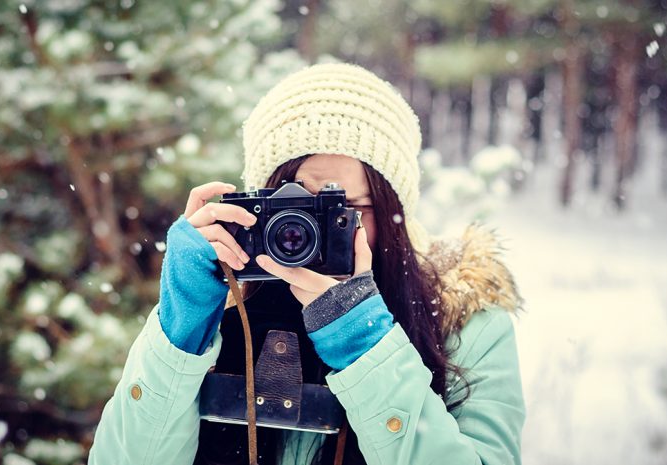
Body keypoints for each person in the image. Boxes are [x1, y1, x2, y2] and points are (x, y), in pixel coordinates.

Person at [89, 63, 525, 465]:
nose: (305, 232)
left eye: (341, 208)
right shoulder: (221, 303)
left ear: (393, 211)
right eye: (292, 206)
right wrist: (180, 332)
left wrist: (366, 346)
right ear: (258, 205)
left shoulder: (465, 322)